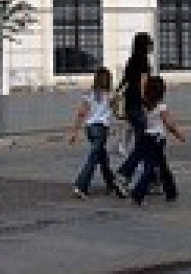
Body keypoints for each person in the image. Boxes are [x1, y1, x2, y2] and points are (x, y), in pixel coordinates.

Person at [67, 66, 124, 199]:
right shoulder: (111, 95)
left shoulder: (89, 94)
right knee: (93, 158)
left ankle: (111, 183)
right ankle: (81, 185)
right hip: (101, 129)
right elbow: (117, 114)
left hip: (89, 129)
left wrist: (74, 132)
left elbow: (81, 113)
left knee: (102, 157)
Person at [129, 74, 184, 204]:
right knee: (151, 167)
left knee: (162, 165)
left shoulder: (144, 105)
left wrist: (143, 81)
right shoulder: (161, 106)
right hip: (158, 138)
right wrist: (178, 134)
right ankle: (138, 193)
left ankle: (171, 191)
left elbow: (142, 91)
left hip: (146, 137)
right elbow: (169, 123)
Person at [114, 31, 153, 190]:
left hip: (130, 103)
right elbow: (143, 83)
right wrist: (147, 102)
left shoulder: (131, 60)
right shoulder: (143, 61)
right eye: (149, 43)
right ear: (144, 45)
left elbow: (125, 81)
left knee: (144, 142)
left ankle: (152, 178)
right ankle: (124, 174)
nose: (151, 45)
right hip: (138, 105)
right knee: (144, 143)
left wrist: (116, 93)